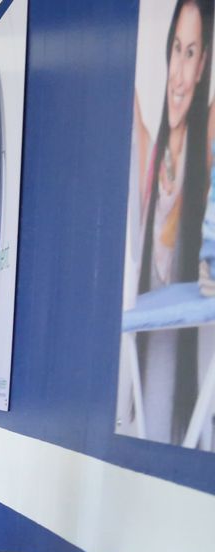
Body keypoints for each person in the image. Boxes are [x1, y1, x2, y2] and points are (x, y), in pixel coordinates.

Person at [131, 0, 213, 443]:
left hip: (184, 353)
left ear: (203, 66)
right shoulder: (148, 150)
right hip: (145, 348)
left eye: (191, 53)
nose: (178, 75)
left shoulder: (204, 145)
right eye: (175, 49)